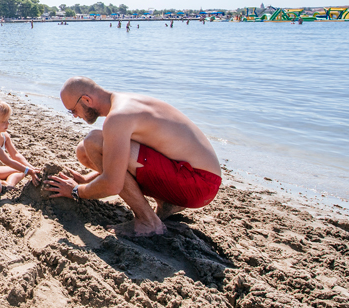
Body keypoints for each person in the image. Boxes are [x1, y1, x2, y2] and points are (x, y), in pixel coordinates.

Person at [45, 77, 222, 236]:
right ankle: (166, 204)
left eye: (72, 110)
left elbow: (112, 185)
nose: (75, 116)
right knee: (84, 150)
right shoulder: (126, 101)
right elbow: (123, 158)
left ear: (86, 100)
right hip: (198, 178)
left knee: (94, 141)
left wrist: (76, 191)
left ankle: (148, 221)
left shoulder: (118, 117)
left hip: (198, 183)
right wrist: (87, 180)